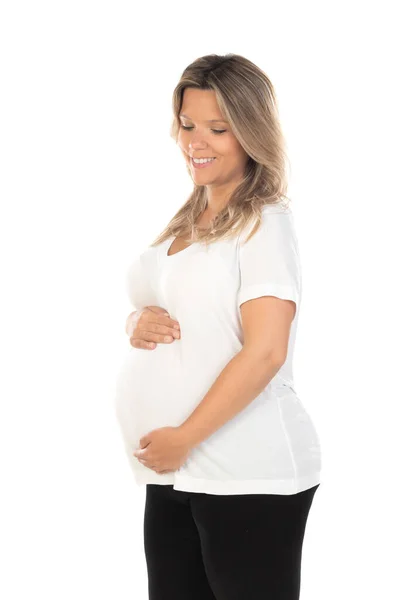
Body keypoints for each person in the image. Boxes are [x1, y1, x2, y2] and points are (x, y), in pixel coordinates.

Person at [114, 53, 322, 600]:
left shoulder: (264, 222)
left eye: (218, 128)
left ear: (251, 131)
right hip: (176, 475)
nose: (194, 142)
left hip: (246, 473)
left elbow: (266, 352)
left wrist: (184, 437)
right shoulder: (191, 216)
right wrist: (138, 322)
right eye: (187, 125)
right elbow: (174, 307)